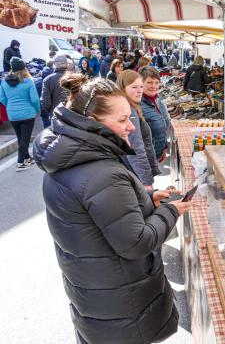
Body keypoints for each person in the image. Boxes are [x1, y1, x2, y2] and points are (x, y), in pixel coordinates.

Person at [32, 74, 190, 344]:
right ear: (93, 123)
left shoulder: (66, 155)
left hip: (95, 291)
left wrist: (147, 198)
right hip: (121, 298)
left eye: (129, 117)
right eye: (122, 120)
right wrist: (171, 211)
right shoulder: (101, 171)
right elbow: (136, 242)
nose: (130, 126)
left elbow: (96, 214)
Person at [117, 70, 161, 189]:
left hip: (131, 172)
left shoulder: (131, 106)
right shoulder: (129, 111)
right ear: (123, 88)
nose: (140, 90)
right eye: (134, 87)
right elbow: (135, 150)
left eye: (141, 86)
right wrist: (147, 182)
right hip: (134, 175)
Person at [0, 57, 40, 171]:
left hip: (12, 114)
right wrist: (36, 109)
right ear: (24, 69)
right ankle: (20, 163)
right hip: (27, 114)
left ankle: (27, 158)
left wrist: (11, 105)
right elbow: (35, 100)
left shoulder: (4, 81)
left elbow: (2, 98)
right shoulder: (28, 82)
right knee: (25, 139)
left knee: (21, 138)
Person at [139, 67, 170, 162]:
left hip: (156, 154)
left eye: (156, 83)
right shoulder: (137, 105)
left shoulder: (158, 100)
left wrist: (164, 148)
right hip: (144, 159)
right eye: (149, 82)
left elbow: (164, 125)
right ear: (141, 83)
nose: (154, 86)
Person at [40, 55, 69, 128]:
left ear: (54, 65)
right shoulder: (73, 77)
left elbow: (45, 101)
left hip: (55, 114)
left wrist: (51, 111)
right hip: (71, 115)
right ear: (66, 64)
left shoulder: (48, 80)